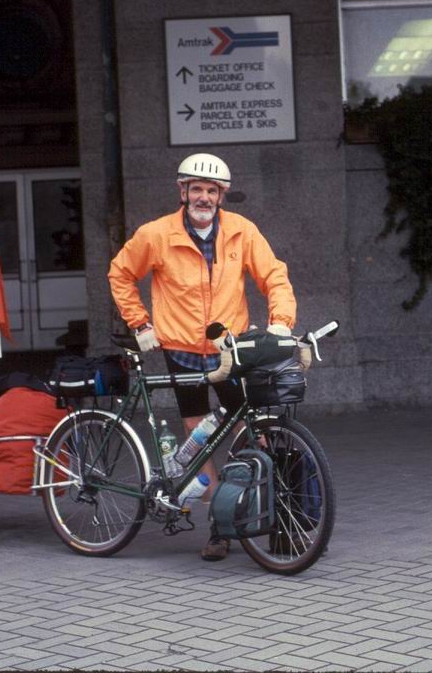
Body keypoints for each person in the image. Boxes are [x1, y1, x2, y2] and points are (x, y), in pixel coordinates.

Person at [108, 152, 296, 561]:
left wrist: (281, 322)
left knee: (254, 432)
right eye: (197, 189)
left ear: (222, 196)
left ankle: (273, 513)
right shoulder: (157, 234)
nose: (204, 197)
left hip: (231, 351)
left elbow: (274, 275)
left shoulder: (241, 232)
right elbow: (120, 273)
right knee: (202, 442)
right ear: (183, 191)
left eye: (212, 190)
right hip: (182, 352)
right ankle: (219, 529)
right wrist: (140, 324)